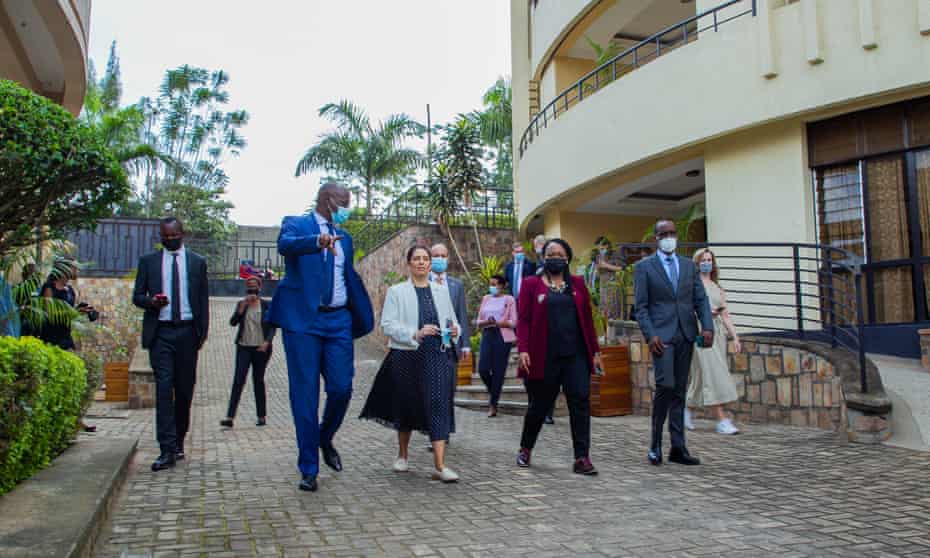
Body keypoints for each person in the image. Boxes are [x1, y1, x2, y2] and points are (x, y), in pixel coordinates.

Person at [267, 183, 374, 493]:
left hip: (339, 320)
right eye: (345, 202)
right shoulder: (296, 224)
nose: (348, 208)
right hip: (304, 321)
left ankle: (325, 438)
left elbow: (345, 275)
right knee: (305, 395)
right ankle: (309, 467)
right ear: (329, 200)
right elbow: (285, 245)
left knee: (342, 388)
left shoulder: (348, 239)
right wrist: (317, 241)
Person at [360, 245, 461, 483]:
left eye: (426, 259)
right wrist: (414, 333)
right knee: (406, 404)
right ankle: (402, 454)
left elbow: (453, 321)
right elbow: (387, 325)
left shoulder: (440, 290)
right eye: (417, 259)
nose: (422, 262)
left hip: (437, 354)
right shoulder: (397, 291)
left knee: (438, 403)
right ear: (409, 263)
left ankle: (439, 464)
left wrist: (455, 330)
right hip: (406, 354)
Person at [515, 239, 602, 475]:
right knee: (539, 406)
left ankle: (582, 458)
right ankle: (526, 448)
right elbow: (523, 321)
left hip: (575, 356)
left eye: (560, 254)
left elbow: (587, 321)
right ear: (543, 258)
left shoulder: (577, 284)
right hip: (544, 356)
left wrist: (594, 352)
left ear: (567, 258)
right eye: (550, 253)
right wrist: (523, 349)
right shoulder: (531, 284)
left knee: (580, 404)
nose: (555, 257)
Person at [633, 219, 714, 467]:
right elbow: (641, 307)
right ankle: (655, 443)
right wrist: (650, 334)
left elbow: (700, 299)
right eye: (663, 234)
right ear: (656, 238)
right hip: (661, 337)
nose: (669, 237)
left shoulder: (689, 266)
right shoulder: (645, 267)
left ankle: (678, 448)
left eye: (672, 233)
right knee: (665, 386)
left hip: (686, 334)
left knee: (679, 391)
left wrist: (707, 326)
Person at [132, 217, 210, 472]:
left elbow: (202, 300)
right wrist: (151, 302)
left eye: (174, 236)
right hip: (161, 333)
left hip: (187, 333)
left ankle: (178, 441)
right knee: (164, 389)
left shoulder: (197, 263)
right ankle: (165, 449)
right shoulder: (149, 262)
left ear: (182, 234)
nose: (170, 240)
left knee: (184, 390)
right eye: (165, 237)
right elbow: (137, 296)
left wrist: (201, 333)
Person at [685, 248, 742, 435]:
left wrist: (734, 336)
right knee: (711, 372)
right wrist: (703, 312)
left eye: (709, 260)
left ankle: (687, 410)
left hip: (717, 334)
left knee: (702, 375)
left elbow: (725, 314)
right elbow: (686, 310)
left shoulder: (718, 287)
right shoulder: (692, 285)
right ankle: (721, 419)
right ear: (697, 263)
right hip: (702, 333)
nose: (706, 263)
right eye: (703, 260)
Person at [425, 243, 469, 451]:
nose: (440, 259)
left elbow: (462, 315)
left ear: (448, 258)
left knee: (448, 391)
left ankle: (445, 431)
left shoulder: (456, 285)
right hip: (429, 346)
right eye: (436, 256)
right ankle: (435, 433)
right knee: (432, 392)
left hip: (450, 346)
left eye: (443, 255)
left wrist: (465, 345)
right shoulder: (422, 283)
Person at [221, 276, 276, 429]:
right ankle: (230, 416)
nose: (252, 289)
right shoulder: (241, 304)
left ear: (259, 288)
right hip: (244, 347)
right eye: (249, 286)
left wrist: (267, 341)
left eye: (254, 286)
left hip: (261, 348)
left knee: (258, 380)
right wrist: (241, 308)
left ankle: (261, 416)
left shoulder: (266, 305)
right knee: (238, 380)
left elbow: (273, 325)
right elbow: (233, 323)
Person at [476, 274, 517, 417]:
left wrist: (498, 323)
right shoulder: (486, 298)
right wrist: (487, 322)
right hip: (488, 334)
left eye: (494, 284)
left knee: (498, 371)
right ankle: (494, 391)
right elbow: (478, 321)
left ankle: (493, 404)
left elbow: (514, 321)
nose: (492, 287)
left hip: (502, 336)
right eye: (490, 284)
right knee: (483, 369)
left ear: (502, 285)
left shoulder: (509, 299)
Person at [38, 261, 98, 351]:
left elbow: (68, 312)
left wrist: (81, 310)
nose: (77, 271)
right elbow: (49, 313)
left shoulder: (70, 290)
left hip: (65, 335)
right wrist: (74, 311)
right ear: (65, 269)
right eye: (75, 268)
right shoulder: (49, 287)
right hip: (50, 335)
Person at [592, 236, 625, 320]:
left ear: (607, 245)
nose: (600, 249)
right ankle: (606, 332)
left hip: (613, 284)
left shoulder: (615, 254)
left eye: (602, 247)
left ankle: (615, 330)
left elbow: (621, 268)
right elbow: (599, 274)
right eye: (599, 248)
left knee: (614, 309)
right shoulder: (599, 256)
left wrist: (606, 265)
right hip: (603, 285)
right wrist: (597, 269)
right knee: (604, 311)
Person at [505, 241, 536, 306]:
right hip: (513, 300)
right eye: (517, 252)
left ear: (524, 252)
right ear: (513, 253)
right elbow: (507, 281)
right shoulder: (508, 266)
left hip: (527, 300)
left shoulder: (531, 265)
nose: (519, 254)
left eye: (521, 251)